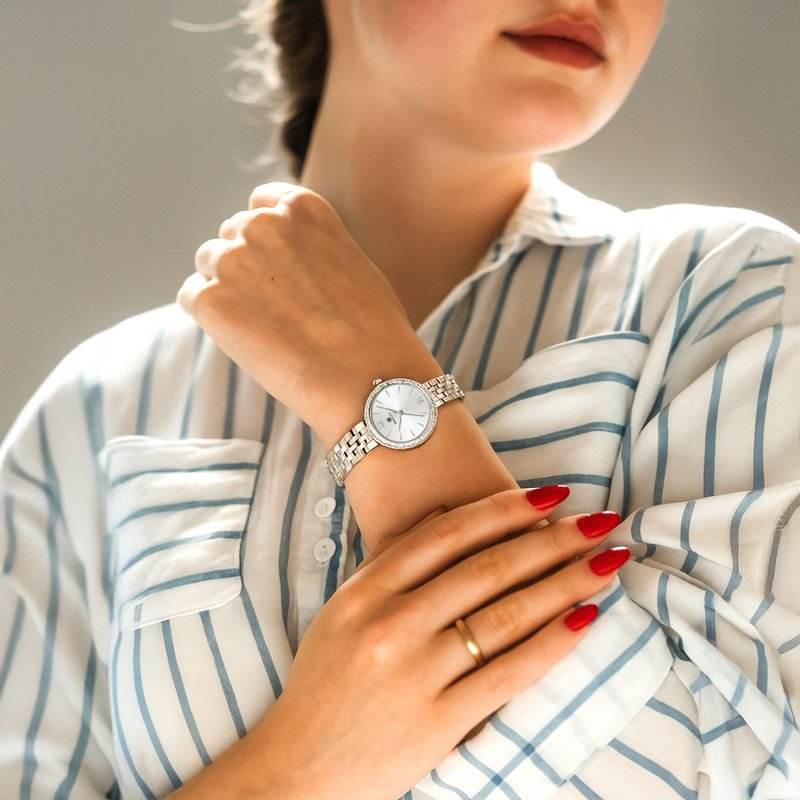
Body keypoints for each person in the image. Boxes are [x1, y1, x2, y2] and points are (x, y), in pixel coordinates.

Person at [1, 1, 799, 798]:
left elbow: (742, 773)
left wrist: (373, 389)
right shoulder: (99, 409)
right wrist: (304, 765)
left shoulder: (731, 295)